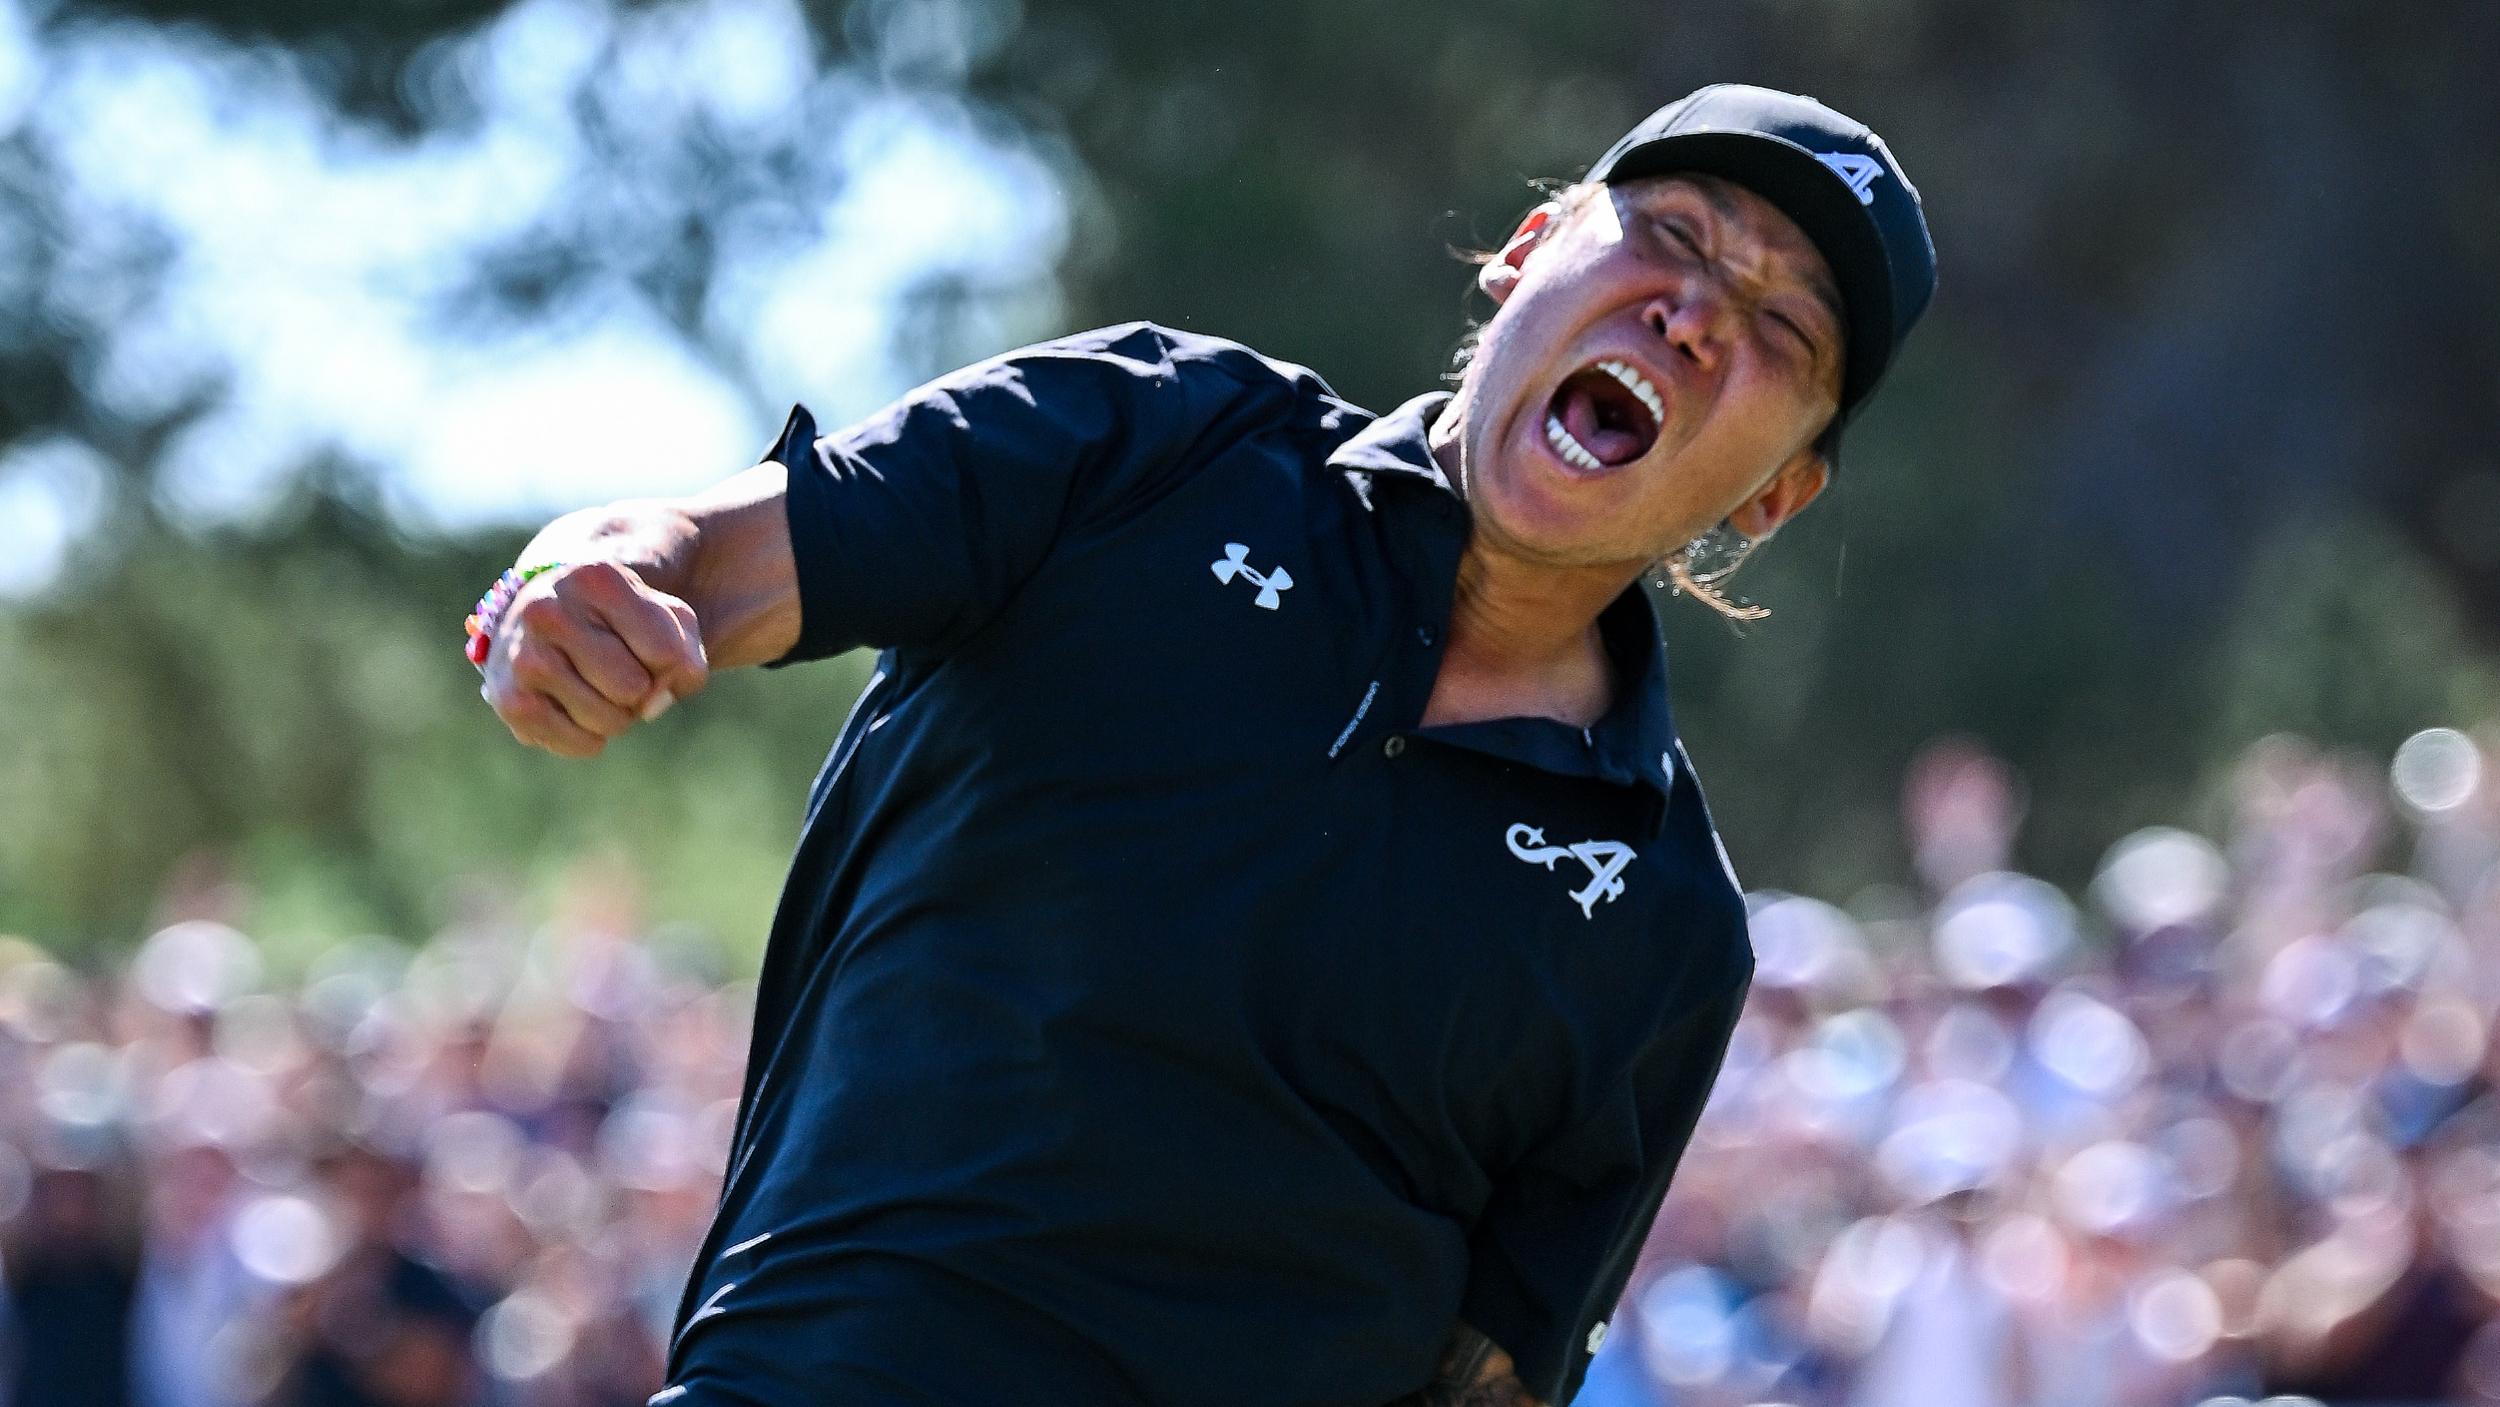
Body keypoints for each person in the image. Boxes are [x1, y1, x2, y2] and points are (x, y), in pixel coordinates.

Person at [472, 84, 1936, 1406]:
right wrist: (571, 597)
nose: (1693, 315)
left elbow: (1483, 1383)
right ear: (1528, 248)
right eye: (1669, 236)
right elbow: (693, 556)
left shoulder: (1671, 929)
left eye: (1780, 328)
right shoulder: (1151, 442)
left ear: (1777, 497)